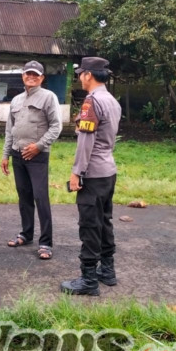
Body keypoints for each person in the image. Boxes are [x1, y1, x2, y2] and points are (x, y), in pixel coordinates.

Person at [61, 56, 122, 296]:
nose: (79, 78)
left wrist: (76, 172)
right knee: (104, 221)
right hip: (108, 171)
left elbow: (86, 142)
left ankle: (88, 280)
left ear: (88, 75)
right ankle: (107, 271)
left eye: (80, 74)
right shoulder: (112, 101)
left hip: (93, 174)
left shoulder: (92, 102)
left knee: (89, 224)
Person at [1, 60, 62, 260]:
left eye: (36, 74)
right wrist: (6, 154)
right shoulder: (16, 100)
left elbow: (56, 126)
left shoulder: (48, 97)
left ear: (42, 78)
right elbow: (10, 130)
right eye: (28, 73)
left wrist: (39, 146)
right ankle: (26, 234)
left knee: (40, 197)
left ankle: (46, 243)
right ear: (23, 76)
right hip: (18, 154)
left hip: (37, 156)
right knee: (24, 196)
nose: (31, 77)